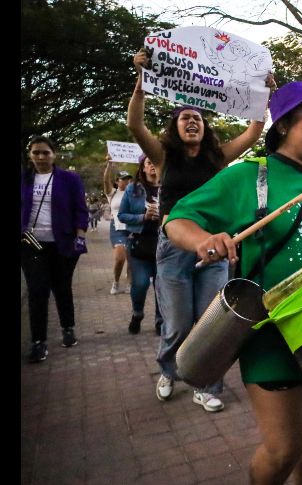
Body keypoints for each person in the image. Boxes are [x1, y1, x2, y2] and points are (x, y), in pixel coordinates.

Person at [165, 81, 302, 484]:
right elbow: (176, 220)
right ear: (282, 124)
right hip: (274, 333)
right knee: (286, 446)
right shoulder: (249, 176)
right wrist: (205, 239)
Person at [128, 48, 271, 413]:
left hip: (215, 249)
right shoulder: (163, 156)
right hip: (174, 248)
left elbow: (255, 131)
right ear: (175, 128)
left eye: (198, 118)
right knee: (176, 324)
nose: (193, 122)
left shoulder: (217, 157)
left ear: (205, 128)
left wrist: (263, 92)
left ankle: (207, 385)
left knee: (211, 322)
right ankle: (168, 370)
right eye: (185, 118)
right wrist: (142, 82)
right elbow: (134, 126)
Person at [21, 136, 88, 363]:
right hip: (31, 242)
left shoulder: (69, 179)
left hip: (63, 242)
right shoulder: (24, 179)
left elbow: (80, 209)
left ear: (54, 154)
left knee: (61, 287)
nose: (40, 157)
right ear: (30, 155)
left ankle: (68, 327)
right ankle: (38, 342)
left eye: (45, 152)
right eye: (36, 152)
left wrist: (80, 236)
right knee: (37, 290)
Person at [117, 154, 163, 336]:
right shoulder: (133, 189)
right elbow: (122, 215)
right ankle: (137, 313)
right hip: (139, 243)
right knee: (141, 284)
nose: (152, 167)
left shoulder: (169, 188)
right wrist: (142, 217)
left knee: (162, 286)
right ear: (143, 168)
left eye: (156, 163)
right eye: (149, 163)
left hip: (164, 244)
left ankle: (161, 321)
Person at [103, 163, 132, 295]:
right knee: (120, 257)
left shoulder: (134, 193)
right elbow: (105, 180)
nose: (126, 181)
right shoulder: (113, 193)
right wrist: (109, 165)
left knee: (131, 258)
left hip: (132, 228)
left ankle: (130, 283)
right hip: (118, 228)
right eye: (123, 179)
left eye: (128, 179)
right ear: (117, 181)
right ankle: (116, 282)